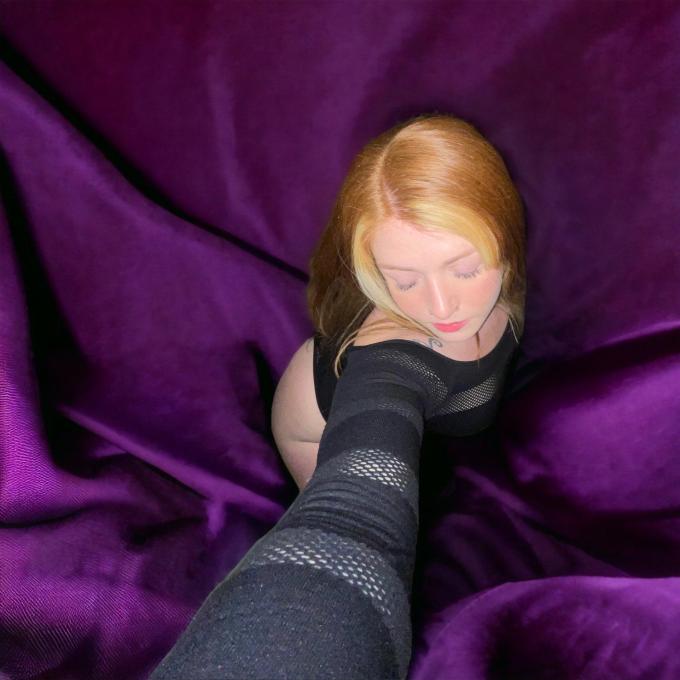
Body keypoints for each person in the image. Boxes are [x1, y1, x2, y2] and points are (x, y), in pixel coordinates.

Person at [150, 113, 526, 679]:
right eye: (404, 281)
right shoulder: (392, 359)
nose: (442, 306)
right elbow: (354, 517)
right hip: (316, 428)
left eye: (465, 269)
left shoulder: (512, 283)